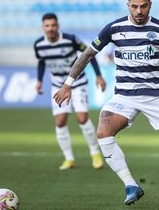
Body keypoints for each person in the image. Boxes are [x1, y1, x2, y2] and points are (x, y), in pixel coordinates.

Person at [53, 0, 159, 206]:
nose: (139, 10)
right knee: (103, 131)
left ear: (150, 4)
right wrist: (68, 84)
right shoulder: (114, 28)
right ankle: (131, 184)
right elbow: (87, 54)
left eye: (143, 6)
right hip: (124, 95)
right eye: (134, 6)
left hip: (156, 96)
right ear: (128, 5)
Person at [34, 12, 106, 171]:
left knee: (82, 118)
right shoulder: (39, 45)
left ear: (57, 26)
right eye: (47, 26)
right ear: (43, 27)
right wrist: (39, 80)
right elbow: (41, 62)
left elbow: (90, 55)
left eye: (53, 25)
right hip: (58, 85)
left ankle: (95, 153)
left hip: (78, 82)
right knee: (60, 121)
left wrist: (99, 76)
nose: (51, 28)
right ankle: (69, 158)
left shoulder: (71, 39)